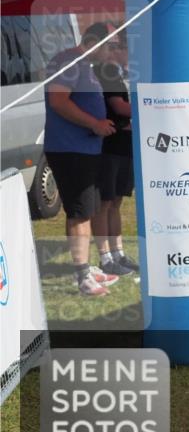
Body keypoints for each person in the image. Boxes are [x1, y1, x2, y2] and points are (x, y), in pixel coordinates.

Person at [44, 22, 121, 296]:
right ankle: (83, 276)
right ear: (93, 41)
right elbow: (59, 101)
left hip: (86, 151)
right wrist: (94, 124)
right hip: (70, 151)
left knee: (87, 210)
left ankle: (88, 270)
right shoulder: (67, 61)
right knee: (79, 212)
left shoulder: (84, 65)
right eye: (110, 46)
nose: (112, 53)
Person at [92, 34, 140, 278]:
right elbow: (120, 106)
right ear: (117, 48)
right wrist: (150, 103)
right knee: (105, 202)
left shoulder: (120, 72)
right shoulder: (107, 70)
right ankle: (105, 257)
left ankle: (118, 253)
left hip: (123, 144)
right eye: (126, 49)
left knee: (117, 201)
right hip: (109, 145)